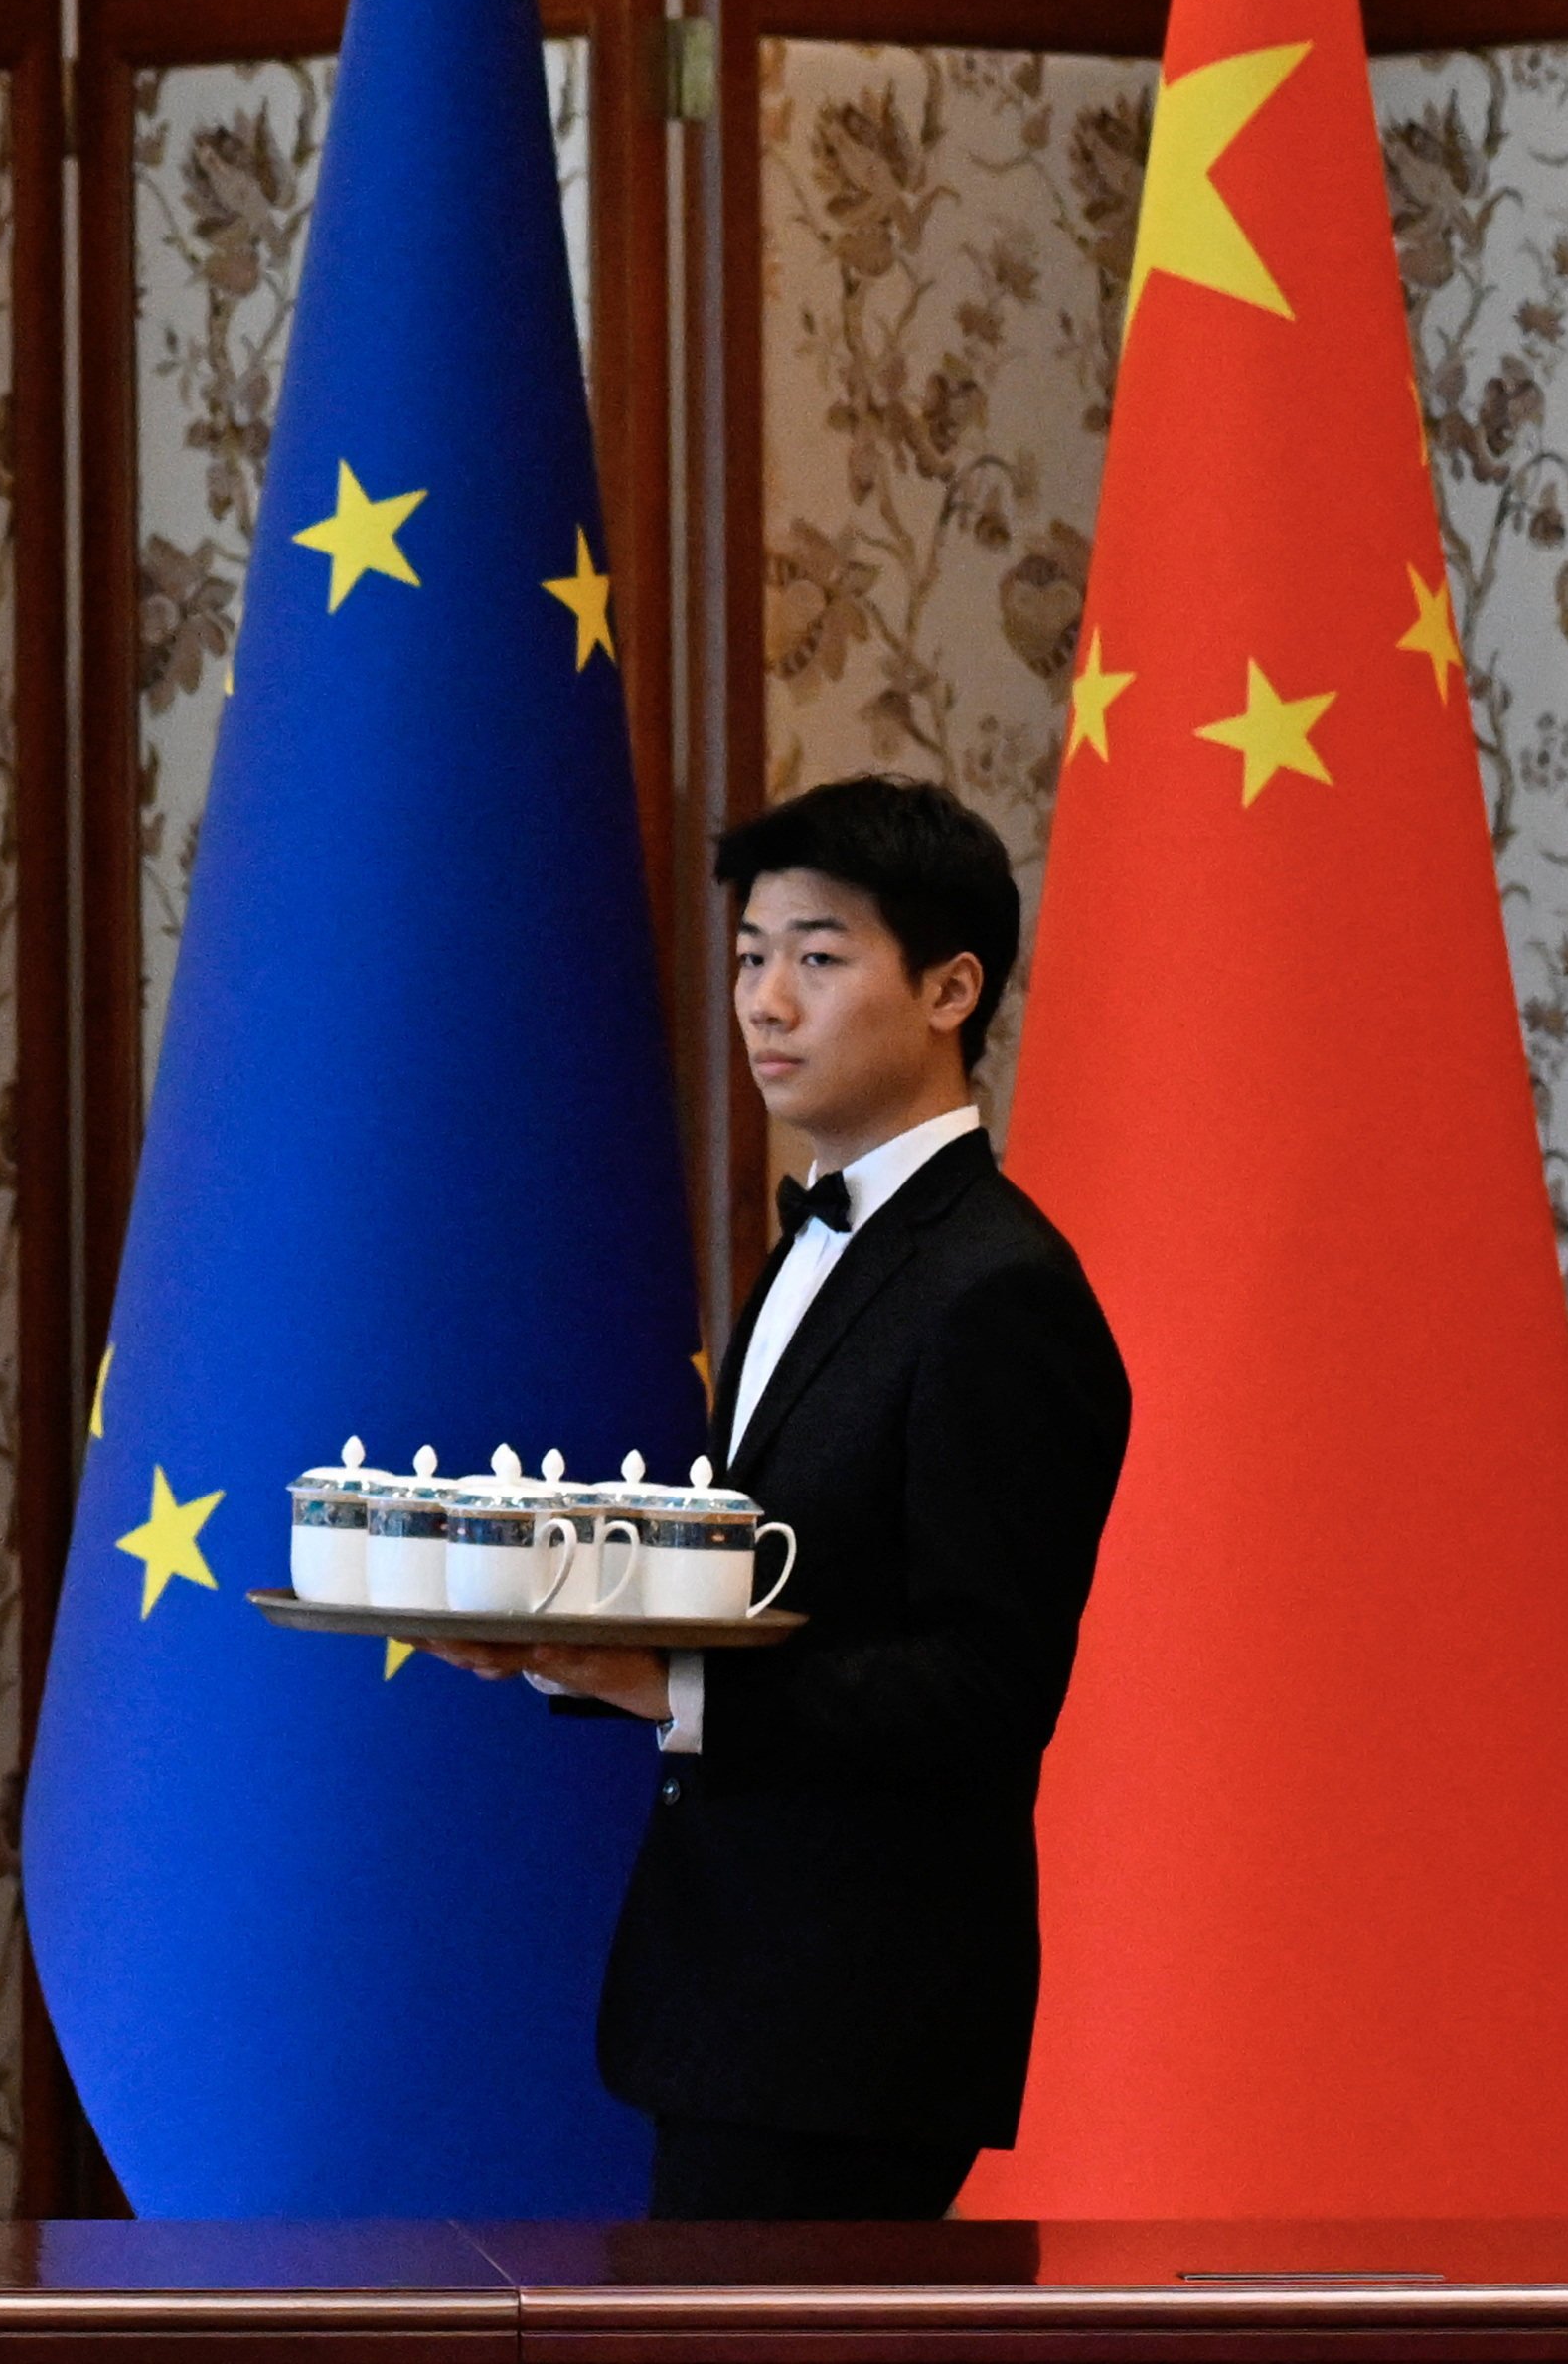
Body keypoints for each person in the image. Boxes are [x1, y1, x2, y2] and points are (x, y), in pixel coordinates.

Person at [427, 774, 1132, 2222]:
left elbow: (989, 1686)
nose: (764, 1001)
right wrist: (560, 1637)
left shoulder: (1001, 1291)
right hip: (732, 1993)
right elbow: (773, 1577)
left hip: (859, 2014)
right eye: (750, 954)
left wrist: (667, 1683)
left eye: (818, 956)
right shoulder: (818, 1244)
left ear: (951, 988)